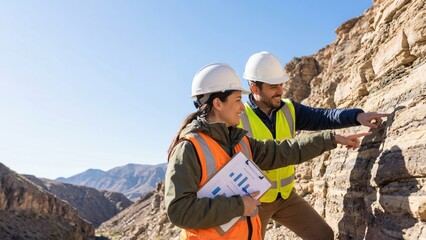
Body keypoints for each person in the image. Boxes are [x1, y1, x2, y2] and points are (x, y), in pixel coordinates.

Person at [165, 63, 371, 240]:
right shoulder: (189, 148)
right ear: (218, 103)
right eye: (237, 100)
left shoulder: (239, 141)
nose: (241, 107)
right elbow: (179, 211)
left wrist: (332, 138)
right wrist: (238, 206)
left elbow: (282, 151)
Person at [239, 51, 389, 239]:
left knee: (323, 235)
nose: (280, 91)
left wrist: (357, 116)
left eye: (281, 85)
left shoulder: (288, 109)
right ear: (255, 88)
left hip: (285, 196)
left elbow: (323, 117)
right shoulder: (238, 118)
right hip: (255, 200)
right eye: (273, 87)